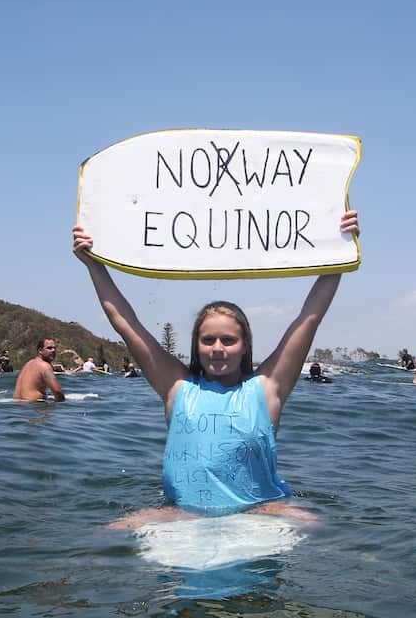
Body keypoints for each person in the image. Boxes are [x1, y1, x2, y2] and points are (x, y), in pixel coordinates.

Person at [72, 210, 359, 528]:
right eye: (208, 340)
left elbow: (310, 317)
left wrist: (340, 252)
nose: (218, 348)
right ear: (196, 345)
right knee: (103, 536)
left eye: (229, 340)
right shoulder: (177, 387)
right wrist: (94, 265)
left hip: (259, 511)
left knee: (320, 530)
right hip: (183, 512)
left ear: (245, 344)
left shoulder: (266, 389)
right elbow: (126, 323)